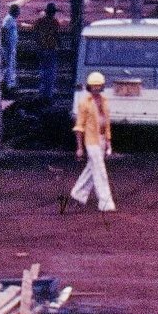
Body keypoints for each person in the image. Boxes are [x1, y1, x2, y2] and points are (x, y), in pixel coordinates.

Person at [67, 71, 116, 212]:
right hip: (91, 141)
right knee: (100, 170)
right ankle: (105, 202)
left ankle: (77, 193)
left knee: (92, 168)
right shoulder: (84, 103)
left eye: (98, 86)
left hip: (101, 139)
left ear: (102, 86)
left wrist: (108, 141)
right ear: (89, 87)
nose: (96, 88)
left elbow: (106, 124)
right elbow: (79, 127)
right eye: (93, 86)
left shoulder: (105, 101)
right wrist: (79, 147)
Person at [32, 3, 63, 99]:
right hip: (51, 49)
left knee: (42, 71)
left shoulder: (39, 21)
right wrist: (60, 45)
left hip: (41, 49)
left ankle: (42, 93)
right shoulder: (54, 22)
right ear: (53, 13)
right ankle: (48, 94)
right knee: (51, 73)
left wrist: (39, 44)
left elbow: (35, 34)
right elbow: (57, 35)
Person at [1, 4, 21, 90]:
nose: (19, 13)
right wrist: (5, 42)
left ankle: (10, 83)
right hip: (8, 46)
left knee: (11, 64)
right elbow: (4, 30)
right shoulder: (9, 19)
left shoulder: (12, 19)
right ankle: (7, 84)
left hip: (11, 46)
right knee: (8, 65)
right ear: (14, 11)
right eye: (18, 11)